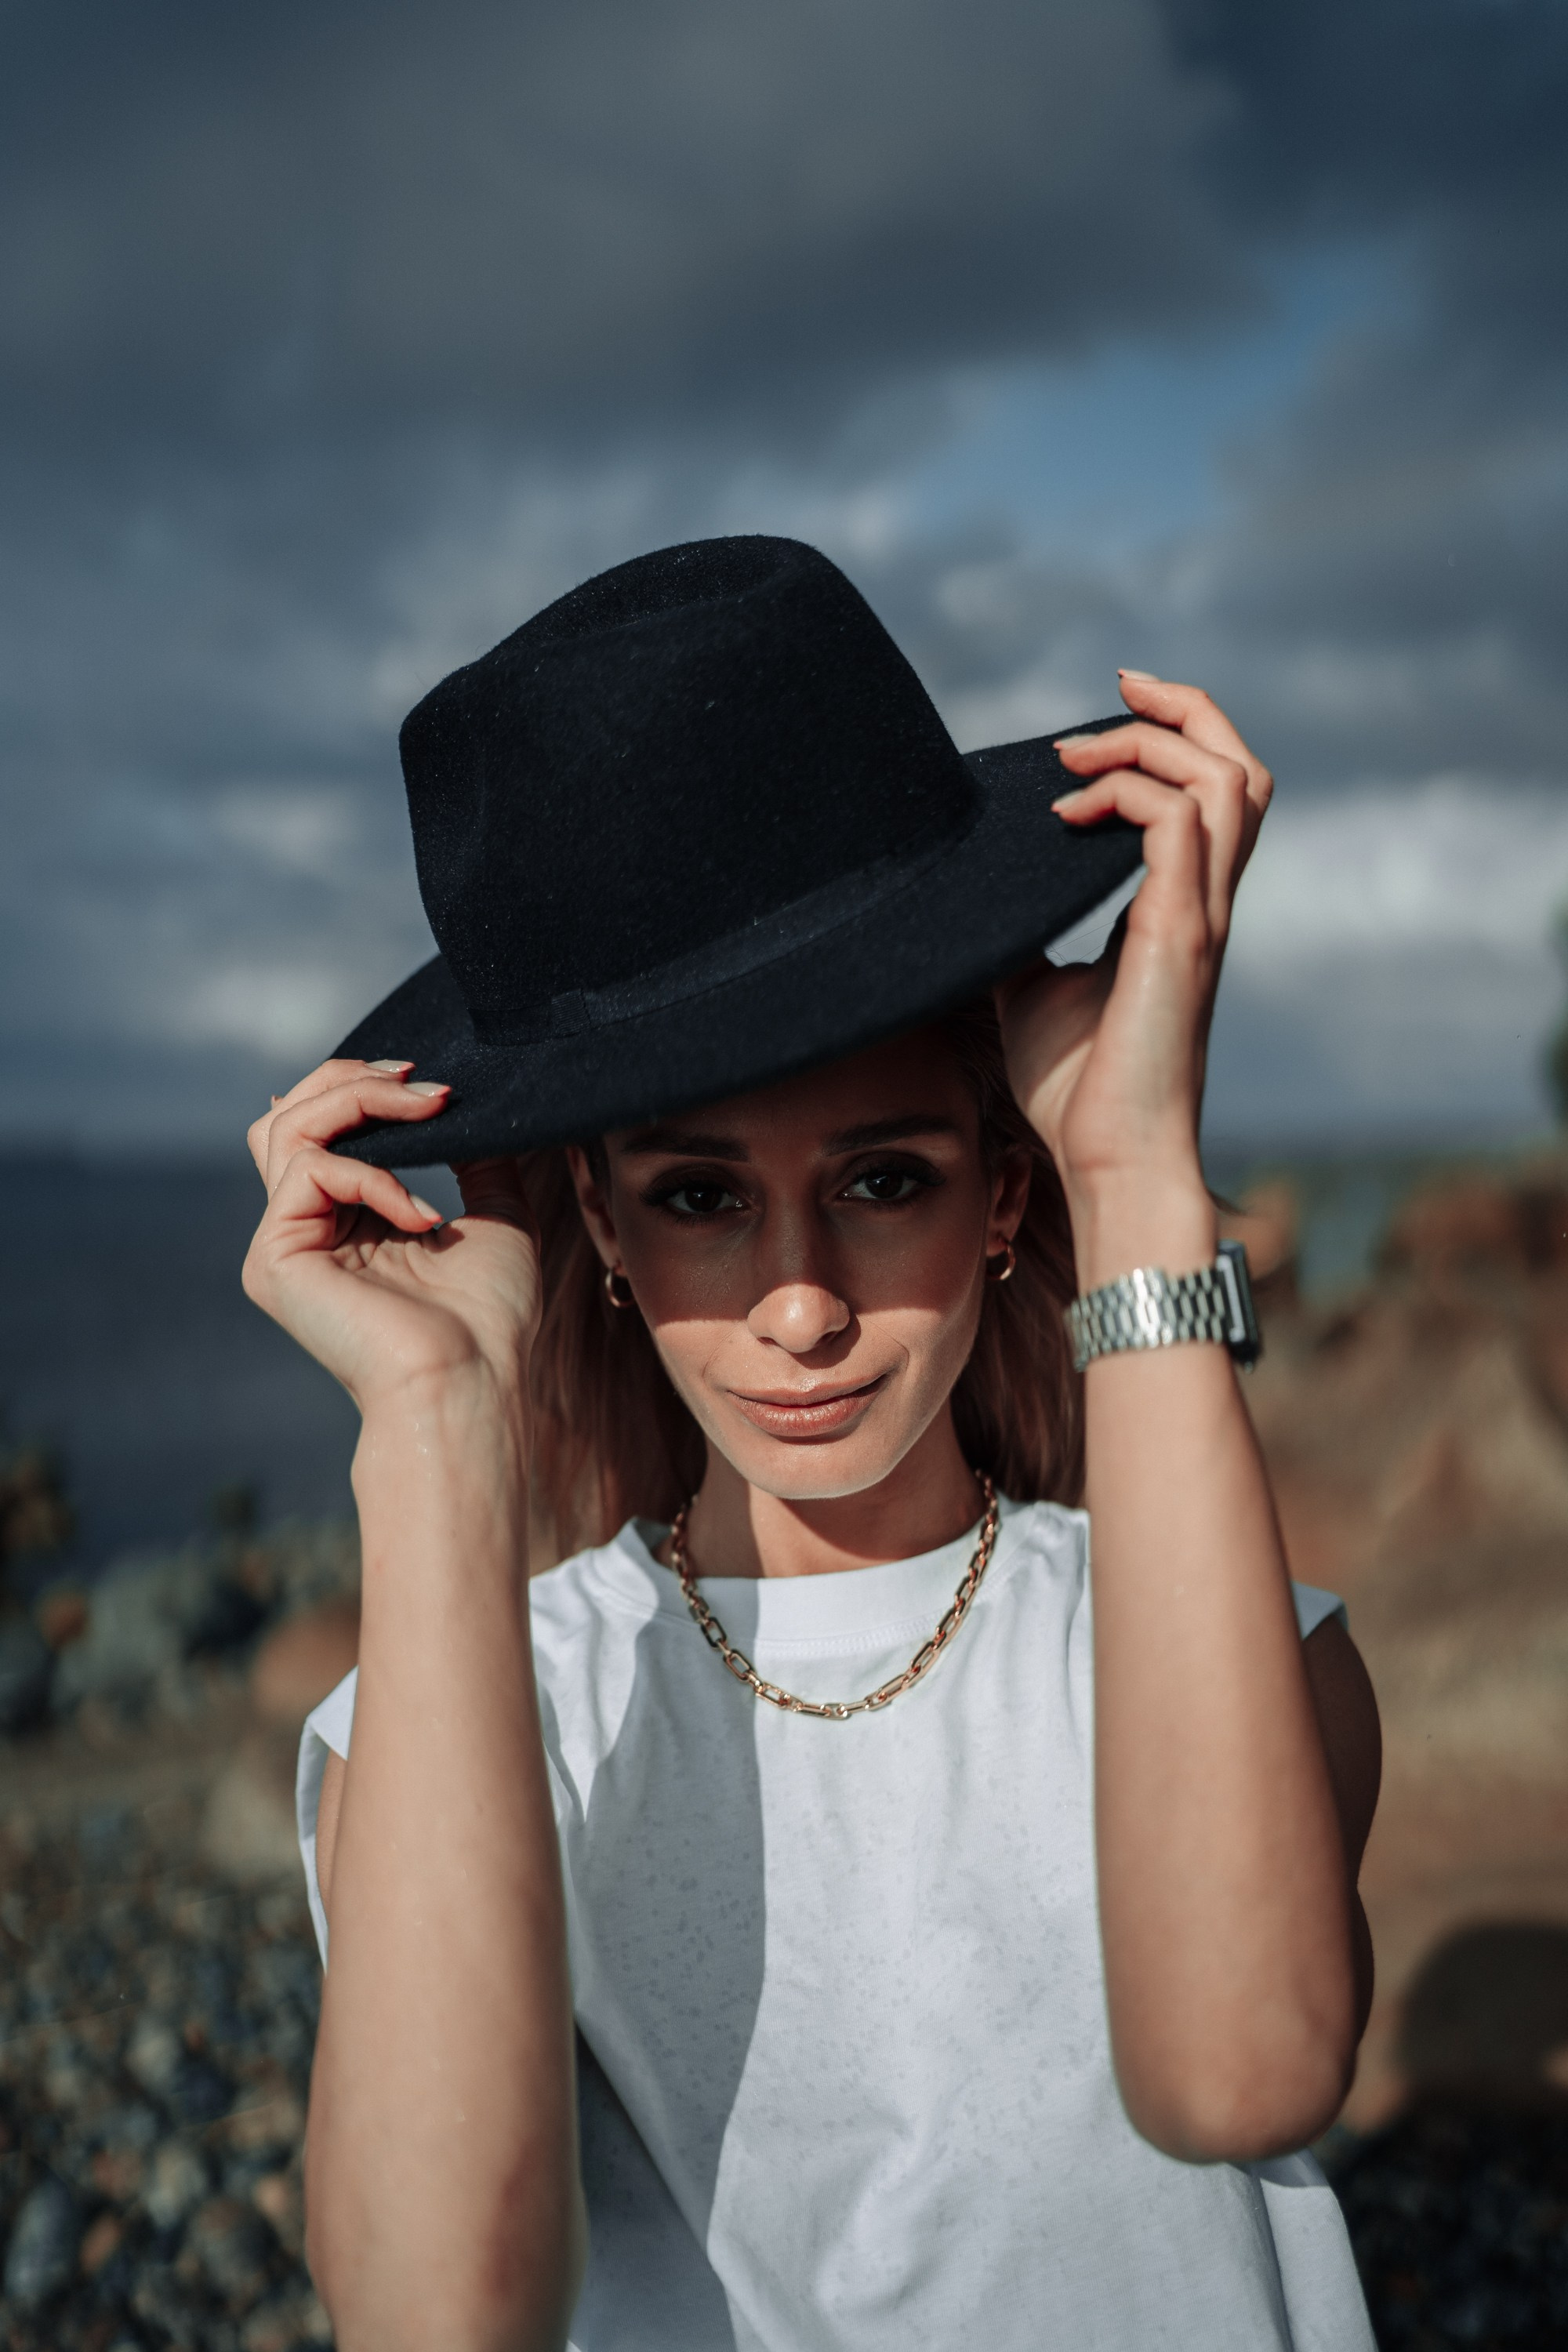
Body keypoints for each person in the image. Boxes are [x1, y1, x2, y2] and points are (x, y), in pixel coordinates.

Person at [245, 537, 1381, 2351]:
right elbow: (436, 2316)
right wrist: (438, 1425)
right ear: (599, 1231)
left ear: (1002, 1191)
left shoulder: (1223, 1648)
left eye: (882, 1180)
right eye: (699, 1196)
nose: (798, 1307)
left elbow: (1243, 2076)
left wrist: (1140, 1178)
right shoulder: (477, 1708)